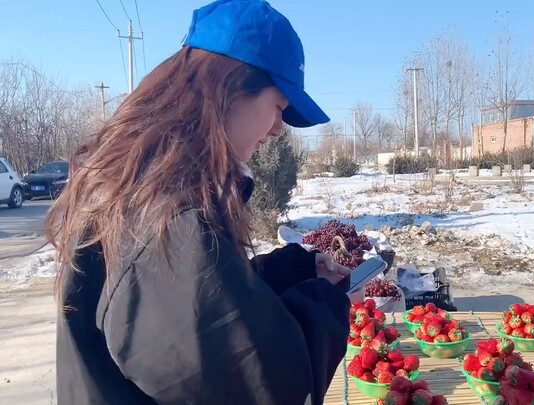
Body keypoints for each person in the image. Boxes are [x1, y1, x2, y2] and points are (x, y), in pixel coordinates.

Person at [47, 1, 358, 403]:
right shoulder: (169, 213)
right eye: (279, 107)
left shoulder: (147, 183)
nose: (279, 129)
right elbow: (256, 381)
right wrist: (327, 305)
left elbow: (194, 313)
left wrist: (291, 271)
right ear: (227, 88)